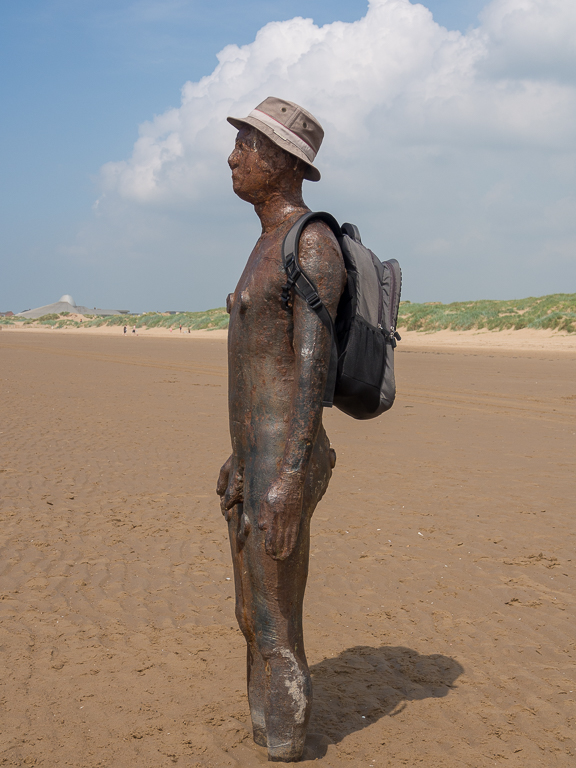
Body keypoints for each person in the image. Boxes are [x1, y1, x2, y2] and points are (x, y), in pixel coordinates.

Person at [217, 97, 345, 762]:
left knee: (273, 624)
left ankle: (287, 746)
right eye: (239, 142)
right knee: (248, 615)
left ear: (286, 162)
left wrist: (290, 476)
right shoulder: (264, 244)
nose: (233, 157)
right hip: (253, 460)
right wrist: (239, 458)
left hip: (284, 463)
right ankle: (266, 731)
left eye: (248, 144)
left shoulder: (311, 243)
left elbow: (311, 371)